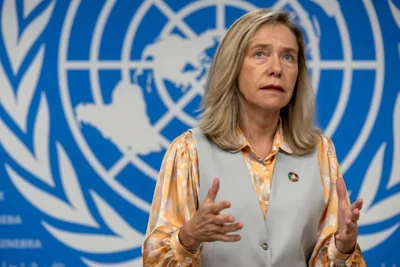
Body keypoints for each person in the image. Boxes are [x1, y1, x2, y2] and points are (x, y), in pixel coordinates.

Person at [142, 8, 366, 266]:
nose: (276, 69)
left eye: (288, 57)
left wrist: (343, 247)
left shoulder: (320, 151)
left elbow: (327, 257)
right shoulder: (189, 150)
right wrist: (187, 238)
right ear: (233, 67)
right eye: (260, 54)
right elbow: (156, 258)